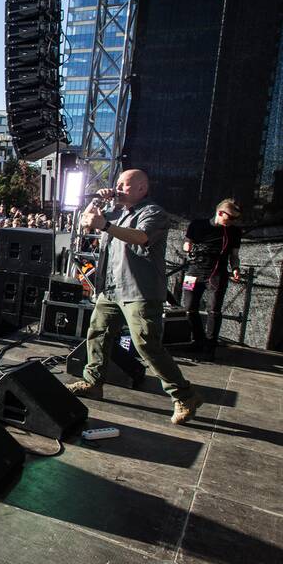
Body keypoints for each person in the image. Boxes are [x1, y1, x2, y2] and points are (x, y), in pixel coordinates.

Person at [69, 169, 202, 424]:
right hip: (112, 289)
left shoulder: (153, 213)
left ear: (142, 188)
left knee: (146, 345)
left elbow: (141, 237)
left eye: (123, 185)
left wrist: (107, 225)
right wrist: (97, 201)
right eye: (116, 183)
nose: (117, 188)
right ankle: (93, 382)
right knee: (97, 332)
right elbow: (85, 222)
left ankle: (184, 395)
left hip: (139, 290)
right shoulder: (118, 210)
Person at [183, 198, 244, 360]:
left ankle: (210, 347)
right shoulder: (197, 225)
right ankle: (197, 340)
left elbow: (234, 255)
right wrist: (188, 247)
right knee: (189, 307)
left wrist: (236, 268)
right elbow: (187, 243)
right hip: (193, 271)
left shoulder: (234, 232)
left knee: (214, 310)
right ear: (220, 213)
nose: (232, 222)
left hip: (217, 273)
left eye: (235, 219)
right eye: (230, 218)